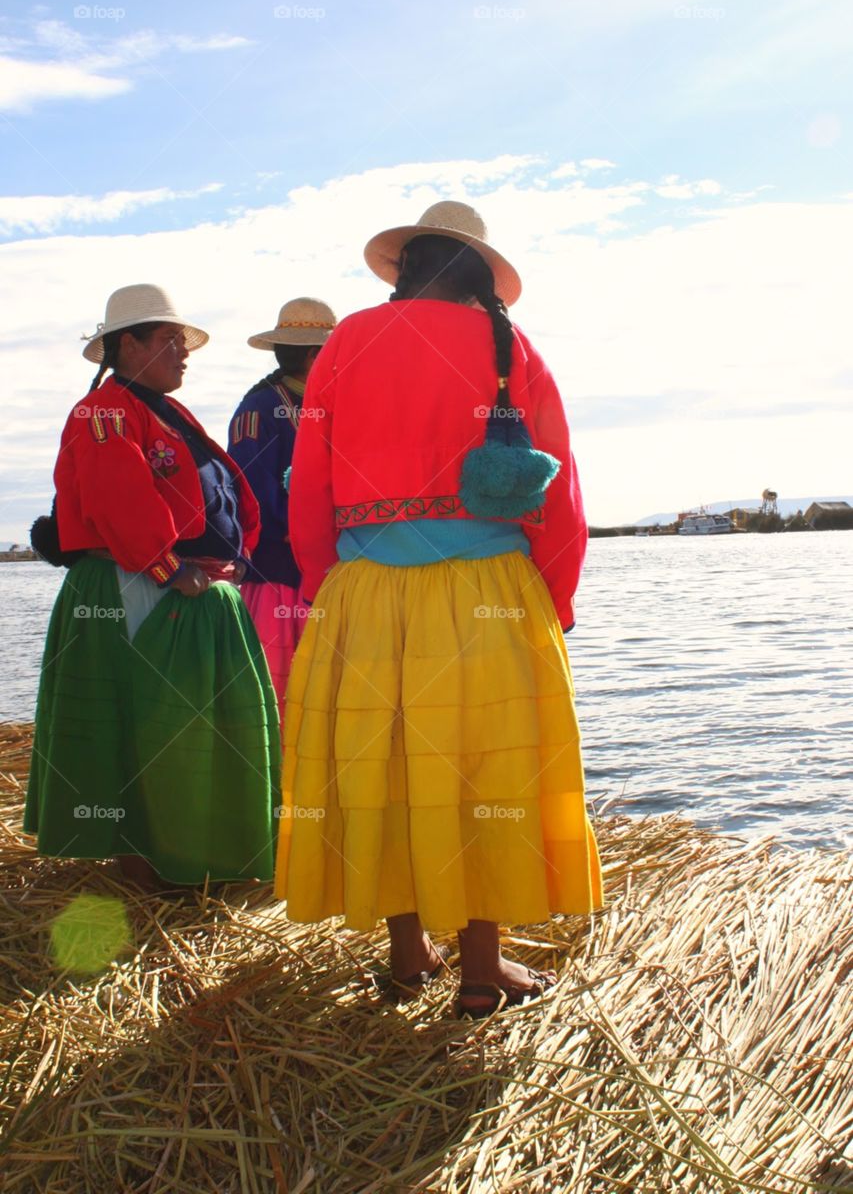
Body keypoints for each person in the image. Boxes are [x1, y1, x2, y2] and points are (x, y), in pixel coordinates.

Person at [273, 202, 603, 1016]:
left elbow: (307, 480)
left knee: (388, 766)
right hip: (486, 591)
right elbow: (558, 494)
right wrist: (554, 600)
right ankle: (482, 970)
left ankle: (405, 953)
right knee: (482, 770)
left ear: (405, 269)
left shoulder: (346, 341)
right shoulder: (510, 348)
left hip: (367, 595)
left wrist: (327, 583)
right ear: (482, 279)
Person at [24, 284, 280, 892]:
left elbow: (214, 493)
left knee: (183, 725)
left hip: (186, 588)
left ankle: (191, 855)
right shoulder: (106, 411)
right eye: (168, 340)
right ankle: (146, 869)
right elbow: (121, 498)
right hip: (135, 586)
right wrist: (172, 570)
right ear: (127, 345)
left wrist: (235, 557)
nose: (183, 353)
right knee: (148, 724)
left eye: (183, 342)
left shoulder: (167, 411)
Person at [228, 298, 336, 718]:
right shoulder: (260, 408)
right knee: (280, 692)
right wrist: (300, 528)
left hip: (328, 569)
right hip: (279, 572)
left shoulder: (329, 405)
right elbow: (250, 486)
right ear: (314, 356)